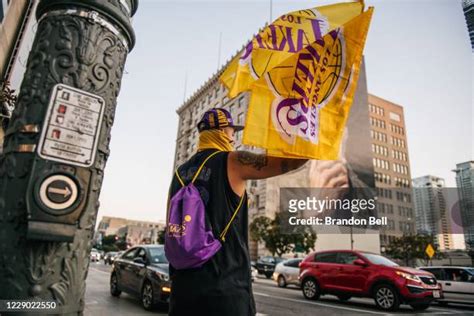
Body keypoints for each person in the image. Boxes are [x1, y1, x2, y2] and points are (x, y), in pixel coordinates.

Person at [167, 108, 307, 316]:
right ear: (223, 131)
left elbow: (171, 231)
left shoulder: (179, 174)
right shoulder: (232, 161)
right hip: (225, 291)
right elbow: (293, 161)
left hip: (182, 292)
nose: (234, 138)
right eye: (233, 132)